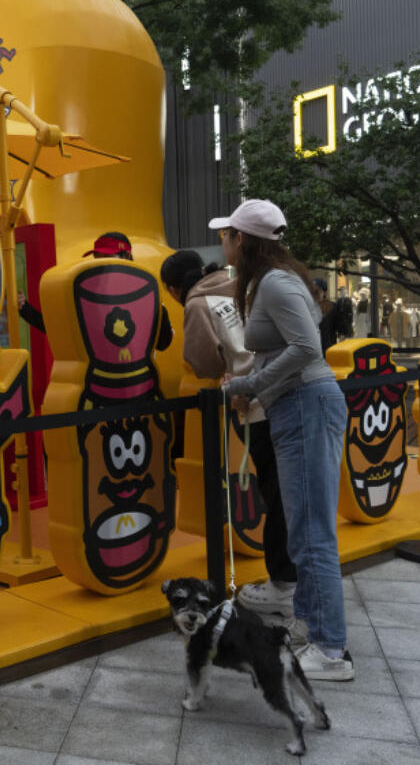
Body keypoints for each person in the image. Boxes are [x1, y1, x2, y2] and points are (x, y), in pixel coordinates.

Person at [213, 198, 353, 681]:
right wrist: (256, 391)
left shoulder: (273, 282)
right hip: (296, 405)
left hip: (305, 407)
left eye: (227, 233)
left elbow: (307, 350)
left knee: (313, 532)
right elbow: (294, 353)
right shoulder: (276, 280)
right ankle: (313, 627)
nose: (222, 241)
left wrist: (249, 386)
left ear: (243, 240)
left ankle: (330, 649)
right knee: (305, 528)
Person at [158, 250, 297, 622]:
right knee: (292, 493)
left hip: (256, 402)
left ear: (173, 288)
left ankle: (284, 585)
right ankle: (296, 579)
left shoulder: (198, 302)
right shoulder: (246, 286)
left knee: (274, 493)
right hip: (291, 392)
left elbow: (202, 360)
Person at [17, 231, 173, 350]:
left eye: (106, 258)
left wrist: (162, 315)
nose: (100, 265)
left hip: (138, 383)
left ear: (126, 256)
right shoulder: (90, 295)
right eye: (97, 259)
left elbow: (162, 344)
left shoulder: (146, 294)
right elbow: (61, 329)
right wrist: (25, 309)